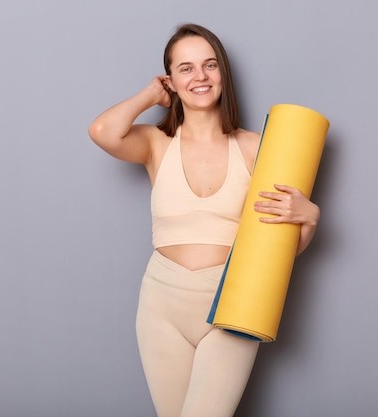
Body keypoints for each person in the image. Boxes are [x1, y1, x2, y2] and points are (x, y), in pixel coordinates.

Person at [88, 23, 320, 417]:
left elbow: (281, 249)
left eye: (210, 65)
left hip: (233, 302)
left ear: (222, 75)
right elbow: (102, 131)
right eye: (186, 68)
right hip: (161, 305)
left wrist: (310, 219)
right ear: (171, 81)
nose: (200, 76)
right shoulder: (156, 143)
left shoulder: (255, 147)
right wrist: (149, 94)